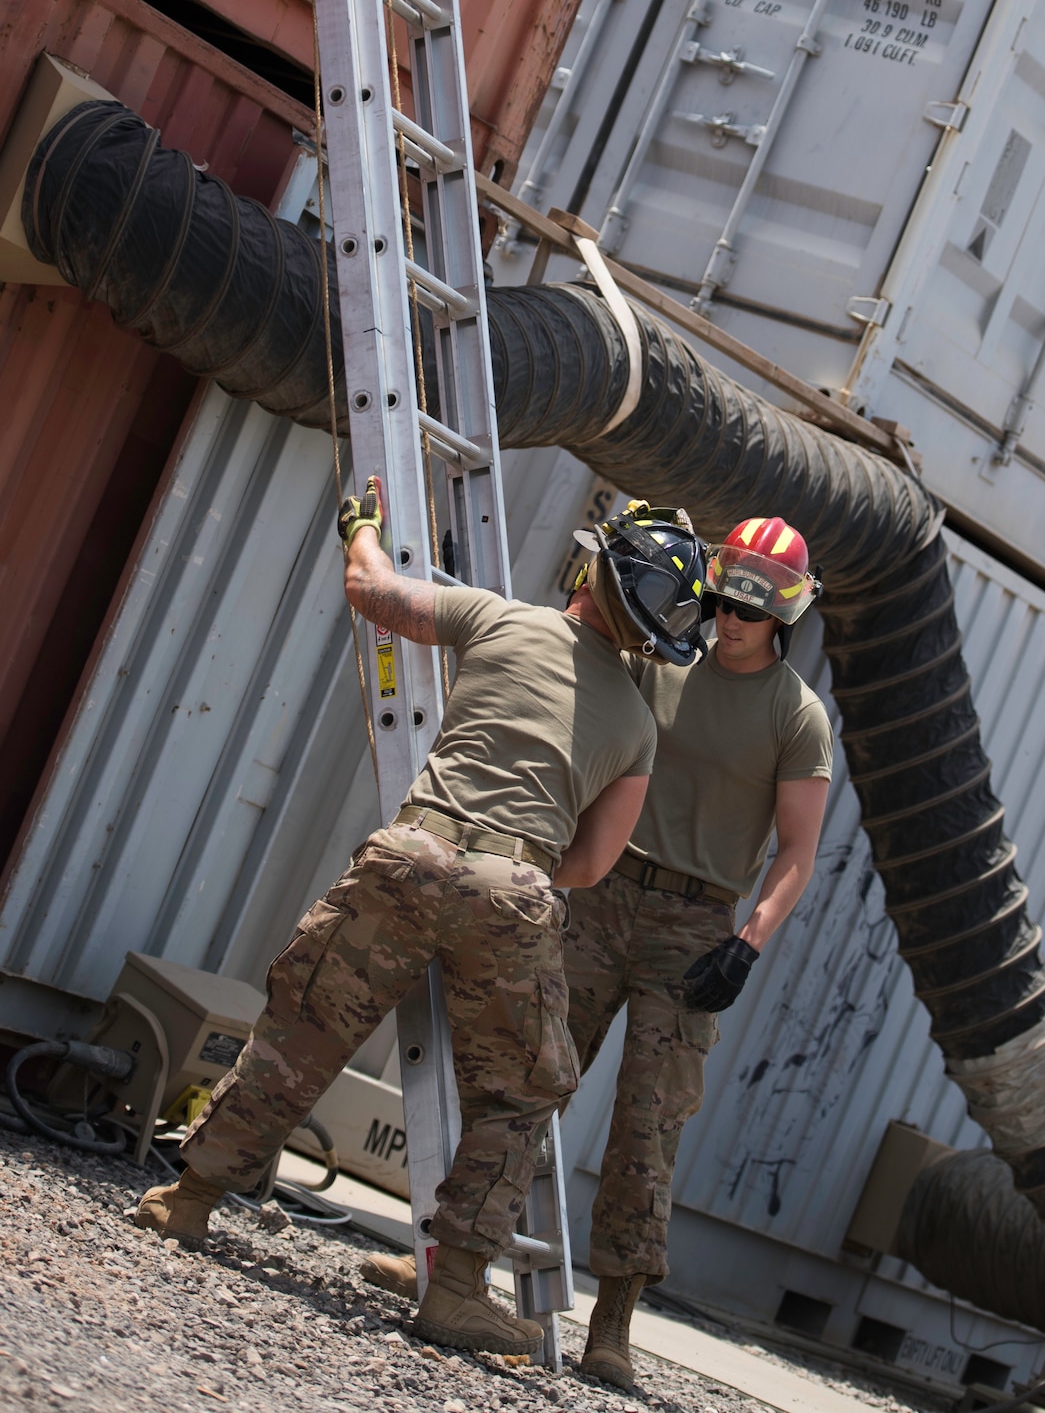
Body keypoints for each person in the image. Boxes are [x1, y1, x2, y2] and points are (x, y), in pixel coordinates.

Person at [135, 485, 708, 1360]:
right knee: (522, 1090)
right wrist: (503, 872)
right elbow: (590, 866)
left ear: (590, 569)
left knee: (307, 1026)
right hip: (515, 886)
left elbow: (372, 593)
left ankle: (190, 1199)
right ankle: (455, 1290)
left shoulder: (500, 620)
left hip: (411, 853)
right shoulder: (636, 722)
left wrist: (361, 527)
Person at [363, 515, 834, 1388]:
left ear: (785, 617)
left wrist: (748, 944)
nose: (730, 619)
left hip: (695, 932)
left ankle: (610, 1329)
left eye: (750, 610)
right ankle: (452, 1268)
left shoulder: (795, 718)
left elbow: (797, 853)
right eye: (722, 600)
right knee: (522, 1079)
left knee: (646, 1130)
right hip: (599, 894)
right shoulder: (655, 664)